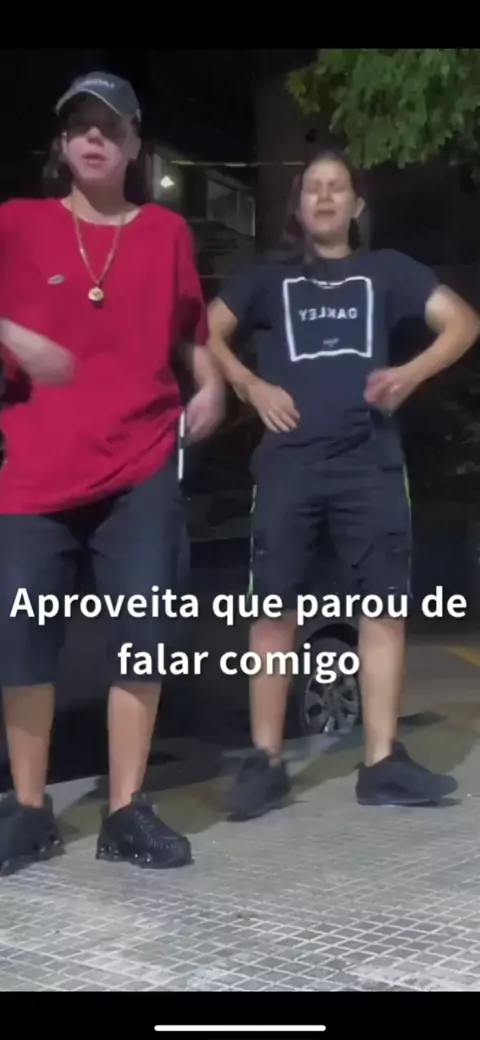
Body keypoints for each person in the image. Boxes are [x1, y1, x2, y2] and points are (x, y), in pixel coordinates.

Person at [207, 148, 480, 821]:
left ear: (356, 205)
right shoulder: (267, 279)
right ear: (299, 206)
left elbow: (463, 323)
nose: (325, 197)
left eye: (337, 188)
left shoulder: (387, 271)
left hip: (370, 463)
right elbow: (204, 330)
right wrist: (249, 384)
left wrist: (410, 374)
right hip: (288, 464)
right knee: (273, 611)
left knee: (383, 610)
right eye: (313, 188)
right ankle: (266, 763)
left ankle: (381, 763)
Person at [0, 72, 224, 875]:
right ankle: (29, 811)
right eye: (79, 126)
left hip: (141, 466)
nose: (94, 138)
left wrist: (210, 383)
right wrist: (14, 337)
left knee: (144, 640)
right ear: (63, 144)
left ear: (133, 146)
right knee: (22, 643)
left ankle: (126, 811)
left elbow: (191, 329)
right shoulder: (17, 223)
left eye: (110, 127)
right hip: (35, 471)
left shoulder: (165, 233)